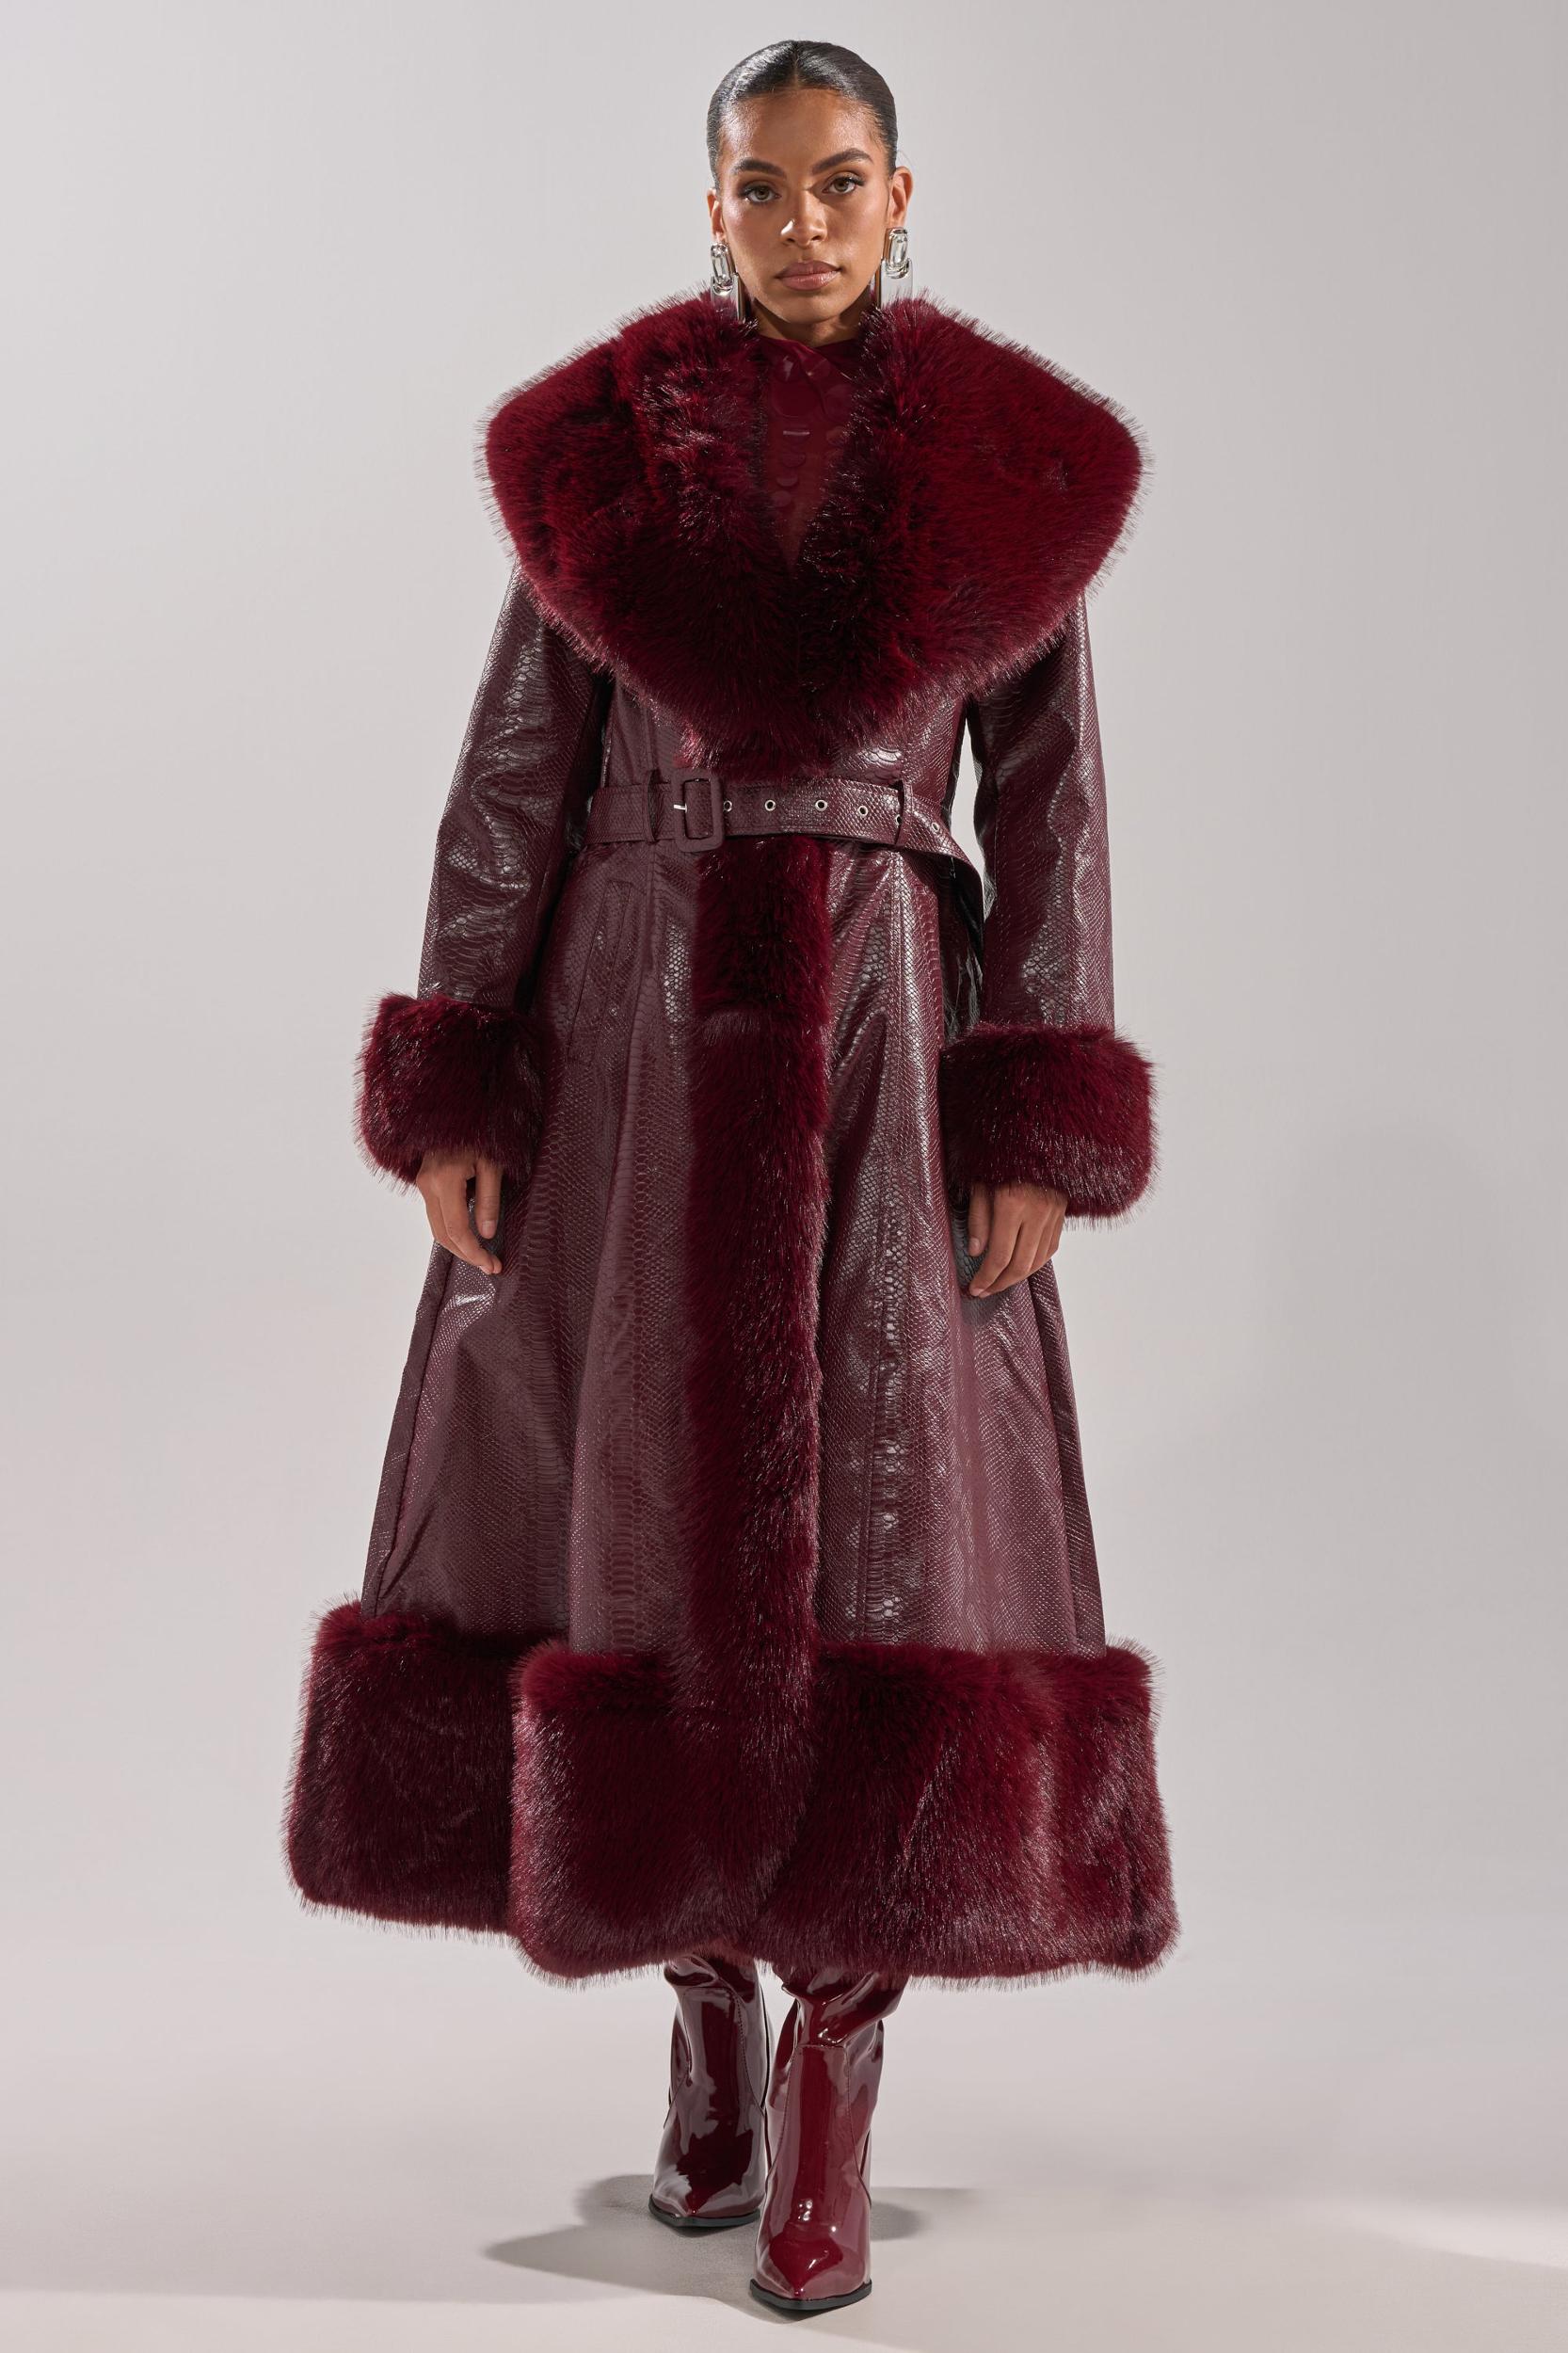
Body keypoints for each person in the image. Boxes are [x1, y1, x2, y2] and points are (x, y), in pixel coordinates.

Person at [283, 39, 1179, 2317]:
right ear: (711, 203)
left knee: (887, 1541)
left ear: (901, 191)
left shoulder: (1001, 477)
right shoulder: (604, 462)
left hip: (883, 1048)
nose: (800, 224)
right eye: (761, 188)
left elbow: (1051, 806)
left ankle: (831, 2070)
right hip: (638, 1043)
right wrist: (466, 1078)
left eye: (836, 183)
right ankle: (696, 2013)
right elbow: (514, 779)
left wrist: (1030, 1115)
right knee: (632, 1525)